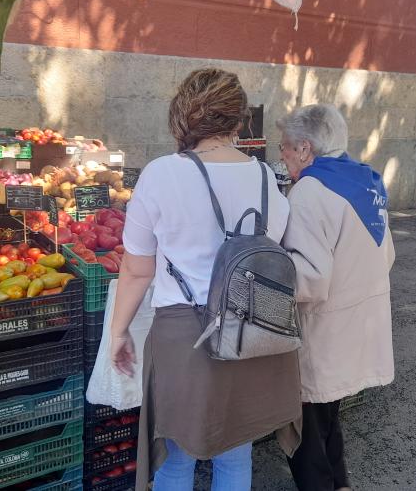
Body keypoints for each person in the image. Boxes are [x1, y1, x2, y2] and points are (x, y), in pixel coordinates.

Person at [109, 68, 302, 491]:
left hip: (185, 334)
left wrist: (118, 331)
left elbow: (137, 268)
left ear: (183, 117)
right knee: (235, 454)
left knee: (176, 459)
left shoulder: (161, 174)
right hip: (254, 332)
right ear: (238, 120)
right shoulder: (268, 177)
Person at [276, 104, 396, 491]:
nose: (283, 155)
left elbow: (308, 278)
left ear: (306, 149)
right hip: (360, 322)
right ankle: (341, 484)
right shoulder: (367, 181)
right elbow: (386, 255)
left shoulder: (309, 191)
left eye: (286, 148)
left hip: (324, 330)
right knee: (328, 413)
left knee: (303, 426)